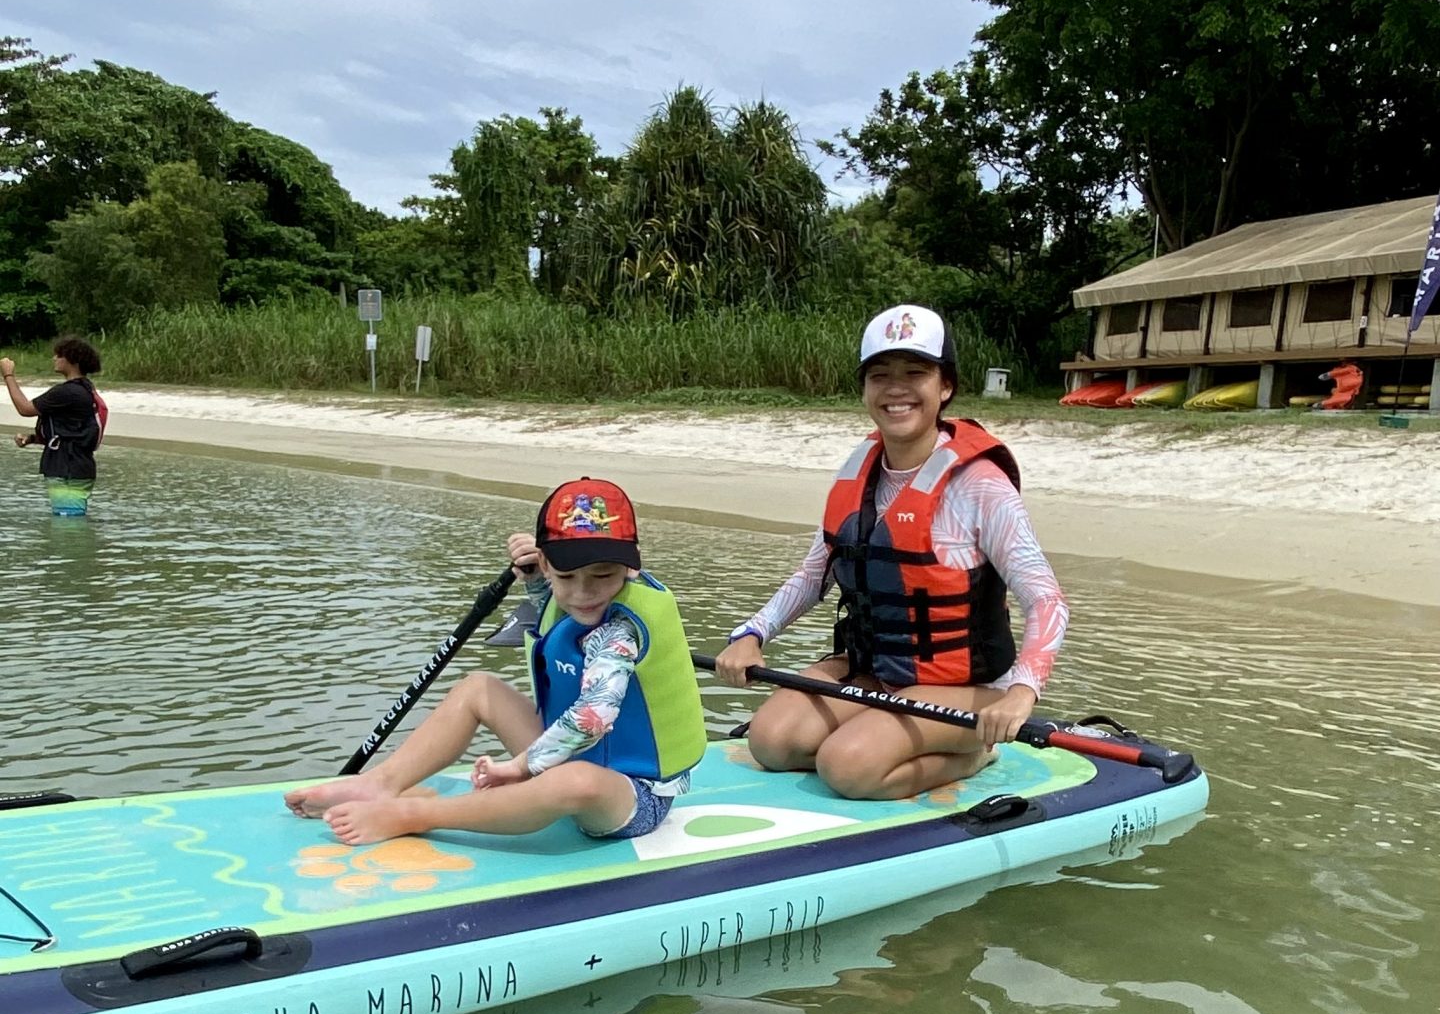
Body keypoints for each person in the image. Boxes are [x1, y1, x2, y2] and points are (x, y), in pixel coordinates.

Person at [715, 304, 1067, 798]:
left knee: (846, 766)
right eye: (880, 375)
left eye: (915, 373)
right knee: (771, 741)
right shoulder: (859, 473)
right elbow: (814, 574)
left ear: (945, 387)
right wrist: (753, 633)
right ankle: (879, 739)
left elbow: (1047, 601)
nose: (896, 389)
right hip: (875, 672)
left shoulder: (980, 486)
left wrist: (1022, 692)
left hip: (968, 689)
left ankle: (975, 753)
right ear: (865, 390)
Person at [286, 476, 708, 848]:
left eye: (602, 576)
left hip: (632, 793)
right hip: (568, 754)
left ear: (631, 568)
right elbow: (555, 608)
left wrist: (519, 766)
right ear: (546, 563)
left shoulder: (620, 631)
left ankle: (413, 816)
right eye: (566, 576)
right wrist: (536, 580)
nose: (583, 593)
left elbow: (592, 718)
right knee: (478, 688)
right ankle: (379, 784)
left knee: (574, 781)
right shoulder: (561, 589)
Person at [1, 336, 107, 516]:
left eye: (59, 355)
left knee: (67, 522)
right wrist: (33, 439)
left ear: (73, 361)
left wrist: (8, 375)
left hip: (68, 469)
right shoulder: (85, 389)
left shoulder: (67, 392)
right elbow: (70, 432)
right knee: (70, 518)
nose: (54, 358)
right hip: (77, 466)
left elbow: (25, 409)